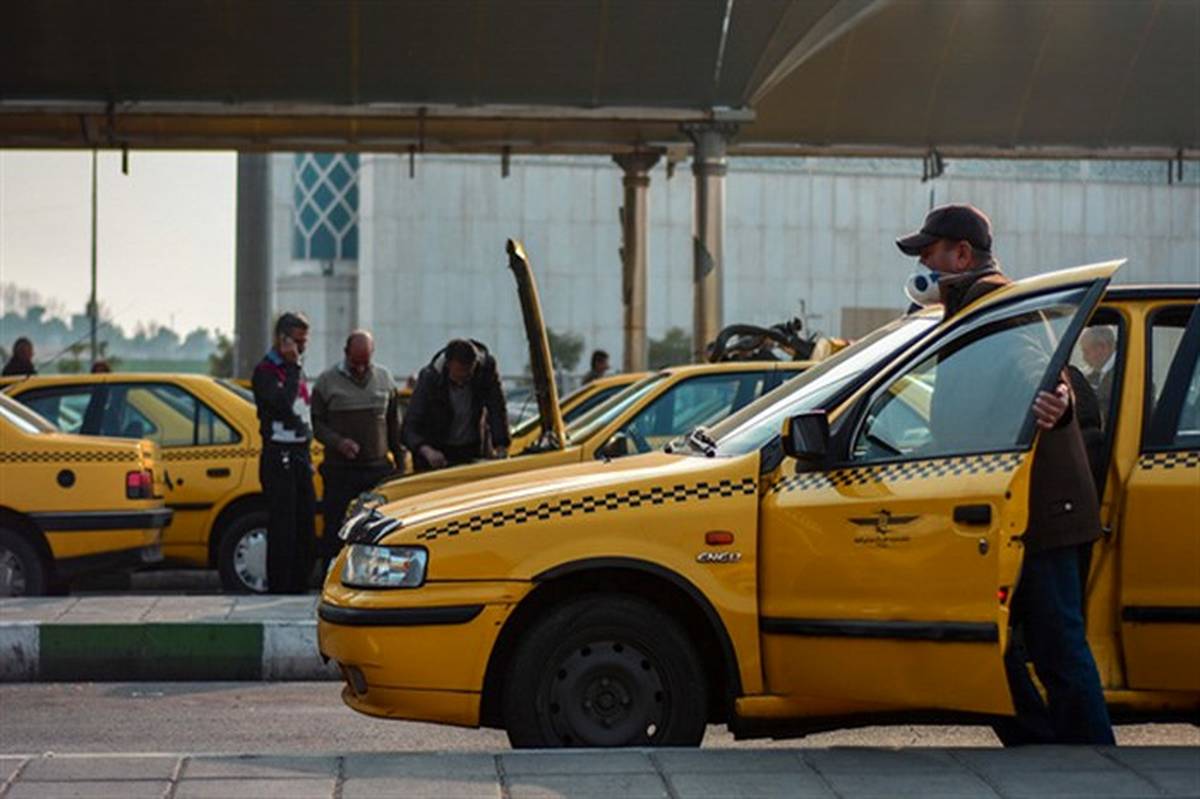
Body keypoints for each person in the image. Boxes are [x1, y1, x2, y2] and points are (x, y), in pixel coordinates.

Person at [896, 203, 1115, 746]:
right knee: (998, 641)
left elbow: (1040, 372)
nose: (922, 267)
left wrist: (1057, 402)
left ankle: (1094, 759)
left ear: (961, 254)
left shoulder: (999, 307)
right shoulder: (969, 309)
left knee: (1056, 643)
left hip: (1041, 511)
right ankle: (1043, 747)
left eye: (928, 254)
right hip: (1011, 506)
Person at [311, 330, 405, 568]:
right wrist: (338, 442)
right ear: (345, 353)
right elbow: (318, 426)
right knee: (335, 526)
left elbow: (394, 426)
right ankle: (329, 570)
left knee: (378, 527)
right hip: (339, 471)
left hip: (377, 470)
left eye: (366, 363)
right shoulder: (326, 382)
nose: (361, 369)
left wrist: (401, 464)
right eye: (356, 363)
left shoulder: (385, 379)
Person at [251, 312, 316, 593]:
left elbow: (303, 413)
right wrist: (291, 367)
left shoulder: (297, 370)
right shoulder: (267, 371)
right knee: (283, 526)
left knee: (305, 524)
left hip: (300, 453)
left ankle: (300, 584)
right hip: (279, 456)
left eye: (305, 342)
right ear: (283, 340)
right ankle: (281, 585)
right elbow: (284, 404)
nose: (302, 348)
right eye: (298, 342)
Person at [402, 338, 509, 471]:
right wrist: (426, 450)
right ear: (448, 365)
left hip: (471, 449)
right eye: (457, 377)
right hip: (437, 452)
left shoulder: (486, 371)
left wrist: (501, 444)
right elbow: (410, 426)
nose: (461, 382)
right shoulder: (430, 378)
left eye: (467, 376)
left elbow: (497, 408)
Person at [1079, 326, 1117, 419]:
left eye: (1086, 352)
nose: (1084, 358)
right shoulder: (1096, 373)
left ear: (1102, 348)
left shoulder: (1121, 374)